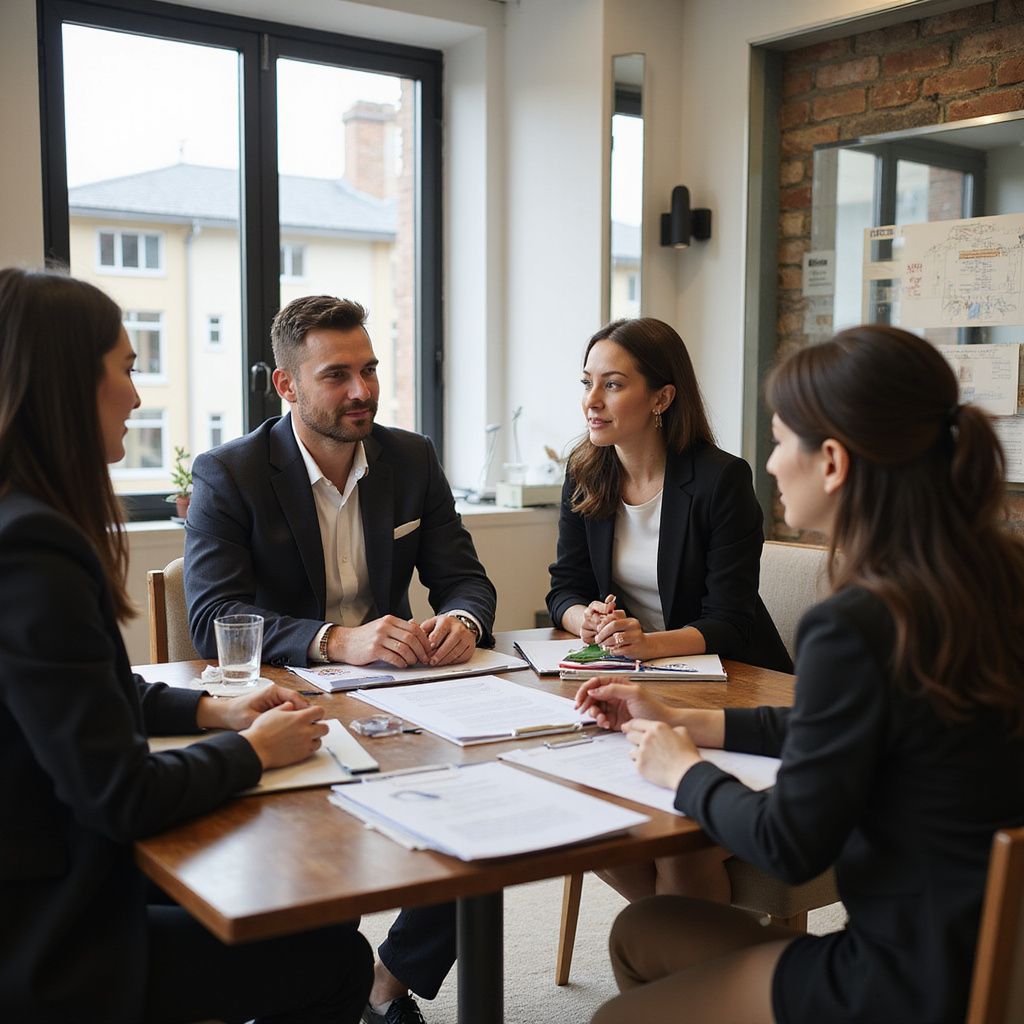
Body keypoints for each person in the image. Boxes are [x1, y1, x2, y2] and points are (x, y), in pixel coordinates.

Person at [580, 324, 1024, 1024]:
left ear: (834, 463)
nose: (772, 460)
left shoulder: (855, 621)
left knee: (613, 1019)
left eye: (783, 439)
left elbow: (789, 845)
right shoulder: (991, 577)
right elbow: (848, 727)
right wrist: (694, 722)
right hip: (993, 952)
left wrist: (683, 771)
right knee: (645, 928)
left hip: (902, 980)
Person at [0, 268, 373, 1024]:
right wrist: (256, 751)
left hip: (43, 869)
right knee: (337, 958)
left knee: (317, 909)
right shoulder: (33, 549)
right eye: (127, 370)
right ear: (70, 384)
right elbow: (121, 796)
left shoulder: (19, 522)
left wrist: (214, 710)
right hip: (40, 932)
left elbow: (92, 690)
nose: (137, 397)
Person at [185, 294, 496, 1024]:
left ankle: (387, 981)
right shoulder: (230, 473)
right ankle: (325, 985)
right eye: (336, 376)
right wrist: (334, 638)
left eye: (369, 370)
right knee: (315, 877)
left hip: (403, 693)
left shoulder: (410, 457)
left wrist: (460, 619)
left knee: (487, 811)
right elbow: (211, 619)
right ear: (286, 385)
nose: (362, 391)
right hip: (284, 702)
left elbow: (465, 578)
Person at [547, 316, 791, 902]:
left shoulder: (719, 480)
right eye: (587, 383)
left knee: (679, 846)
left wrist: (644, 643)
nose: (592, 402)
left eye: (612, 385)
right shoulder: (586, 471)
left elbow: (730, 620)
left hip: (729, 680)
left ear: (661, 397)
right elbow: (563, 588)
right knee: (571, 796)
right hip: (634, 676)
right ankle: (675, 947)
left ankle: (685, 959)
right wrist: (591, 622)